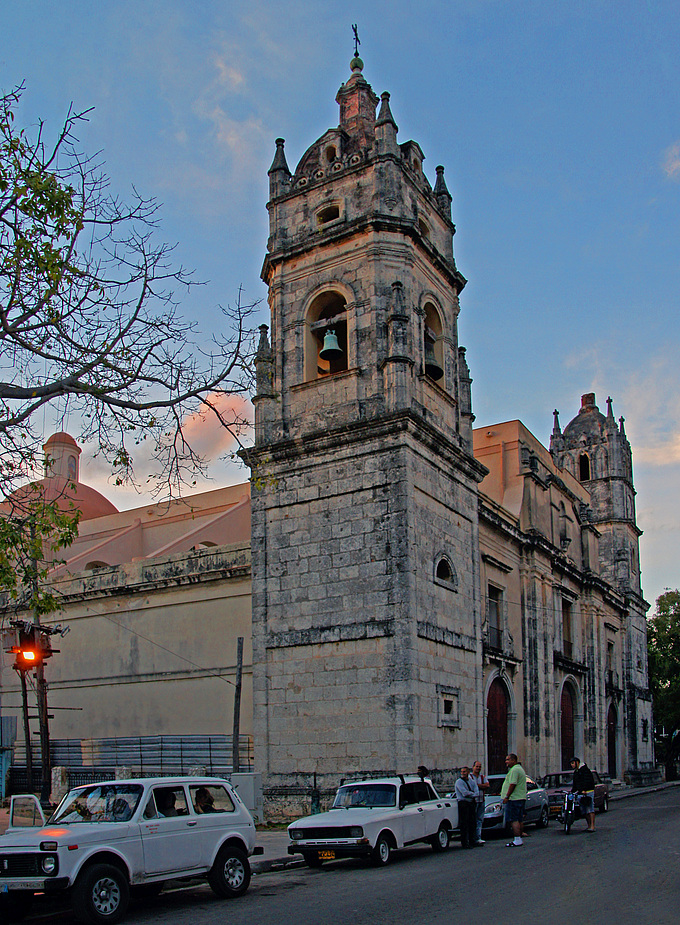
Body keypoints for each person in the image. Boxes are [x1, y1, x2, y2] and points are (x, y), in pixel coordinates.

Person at [501, 753, 527, 847]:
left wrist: (507, 796)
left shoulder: (514, 770)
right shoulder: (519, 769)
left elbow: (513, 784)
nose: (506, 762)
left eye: (508, 760)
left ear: (513, 760)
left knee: (513, 819)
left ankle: (517, 839)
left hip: (514, 799)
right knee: (519, 819)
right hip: (520, 798)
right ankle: (519, 837)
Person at [454, 766, 479, 848]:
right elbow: (464, 793)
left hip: (471, 803)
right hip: (463, 803)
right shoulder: (459, 782)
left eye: (464, 771)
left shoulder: (472, 781)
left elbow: (477, 792)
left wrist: (472, 794)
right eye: (462, 772)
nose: (463, 773)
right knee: (464, 823)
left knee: (472, 822)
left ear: (468, 772)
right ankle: (465, 843)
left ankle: (472, 841)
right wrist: (473, 794)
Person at [570, 757, 596, 832]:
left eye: (572, 763)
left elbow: (589, 780)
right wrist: (572, 791)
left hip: (588, 792)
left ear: (577, 762)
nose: (571, 765)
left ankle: (592, 826)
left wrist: (585, 789)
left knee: (590, 809)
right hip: (580, 792)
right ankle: (589, 825)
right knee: (584, 810)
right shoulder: (576, 772)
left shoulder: (585, 770)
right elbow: (575, 784)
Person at [471, 760, 490, 846]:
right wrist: (481, 786)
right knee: (473, 820)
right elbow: (472, 786)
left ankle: (478, 837)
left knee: (479, 820)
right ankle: (472, 838)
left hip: (481, 800)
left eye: (479, 767)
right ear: (473, 767)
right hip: (473, 802)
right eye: (477, 766)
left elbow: (487, 785)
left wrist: (478, 786)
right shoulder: (470, 777)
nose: (478, 768)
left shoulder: (482, 777)